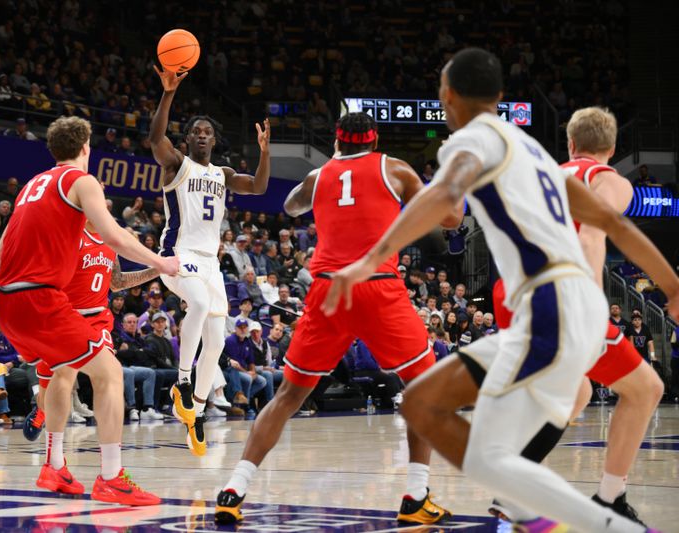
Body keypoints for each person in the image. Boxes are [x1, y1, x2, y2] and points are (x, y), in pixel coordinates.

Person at [322, 48, 679, 533]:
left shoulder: (469, 143)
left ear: (447, 94)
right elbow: (607, 221)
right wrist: (671, 285)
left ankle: (594, 523)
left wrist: (366, 261)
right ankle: (542, 516)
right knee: (431, 410)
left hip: (550, 308)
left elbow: (445, 196)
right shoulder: (530, 147)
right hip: (559, 310)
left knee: (455, 428)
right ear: (500, 96)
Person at [216, 111, 460, 525]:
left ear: (338, 141)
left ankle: (234, 488)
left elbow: (292, 208)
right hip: (377, 284)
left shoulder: (319, 177)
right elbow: (451, 218)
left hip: (328, 289)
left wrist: (329, 168)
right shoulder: (394, 168)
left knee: (289, 397)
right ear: (375, 139)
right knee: (425, 392)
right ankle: (416, 496)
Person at [491, 107, 666, 526]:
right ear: (612, 147)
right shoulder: (608, 180)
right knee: (645, 389)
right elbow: (592, 233)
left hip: (512, 290)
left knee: (578, 393)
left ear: (570, 143)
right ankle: (608, 499)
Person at [0, 116, 178, 506]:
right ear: (85, 147)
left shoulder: (31, 185)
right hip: (43, 298)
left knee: (64, 373)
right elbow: (115, 234)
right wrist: (162, 264)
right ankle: (112, 478)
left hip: (8, 301)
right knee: (110, 374)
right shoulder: (80, 180)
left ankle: (54, 466)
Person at [148, 65, 271, 457]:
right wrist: (168, 93)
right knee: (198, 305)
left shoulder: (223, 173)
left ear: (214, 140)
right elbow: (154, 137)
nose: (202, 136)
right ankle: (182, 383)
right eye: (196, 132)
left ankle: (196, 412)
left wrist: (265, 153)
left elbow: (260, 186)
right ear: (187, 140)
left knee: (216, 342)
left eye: (208, 132)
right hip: (178, 254)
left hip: (211, 264)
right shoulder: (176, 166)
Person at [25, 222, 161, 431]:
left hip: (97, 320)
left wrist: (157, 270)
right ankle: (42, 411)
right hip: (65, 319)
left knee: (110, 373)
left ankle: (110, 452)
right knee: (52, 387)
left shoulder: (109, 242)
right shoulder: (72, 237)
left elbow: (117, 282)